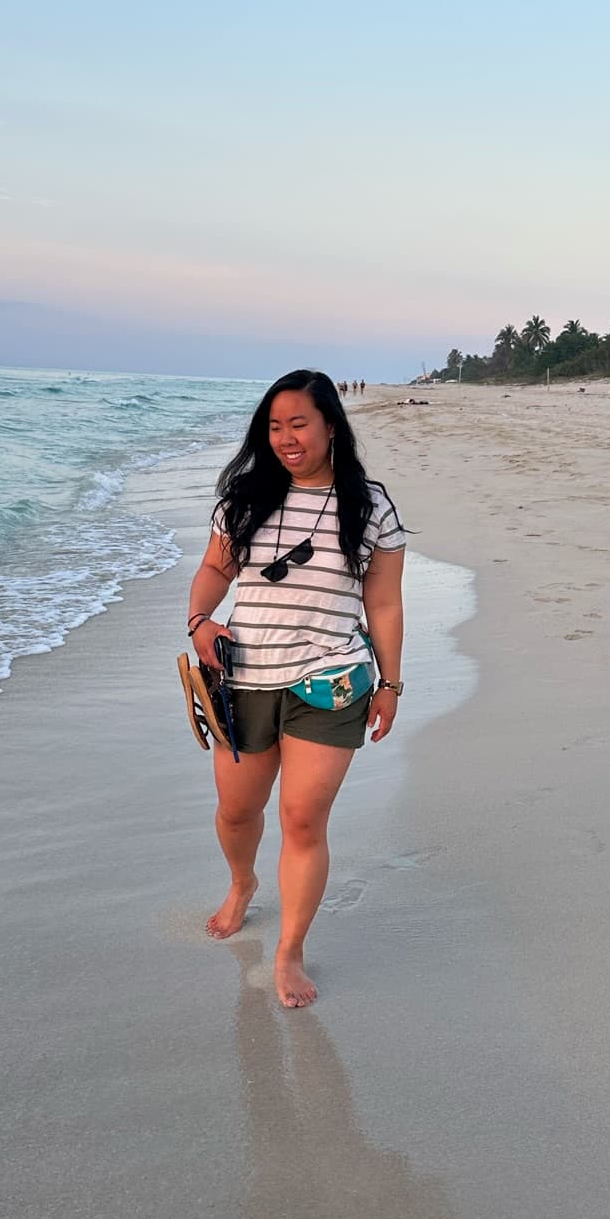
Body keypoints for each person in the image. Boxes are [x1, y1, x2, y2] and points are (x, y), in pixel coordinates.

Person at [186, 369, 406, 1008]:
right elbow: (211, 570)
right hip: (244, 678)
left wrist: (390, 682)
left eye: (299, 423)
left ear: (330, 425)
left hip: (333, 681)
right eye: (274, 426)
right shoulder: (244, 499)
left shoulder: (370, 506)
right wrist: (200, 620)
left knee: (303, 819)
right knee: (237, 812)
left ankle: (289, 952)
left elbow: (384, 604)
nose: (286, 437)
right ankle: (242, 882)